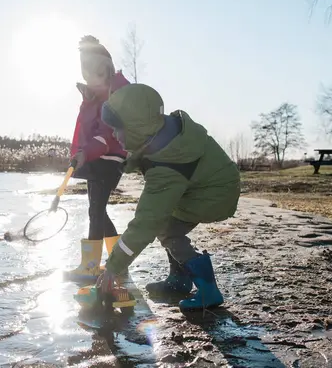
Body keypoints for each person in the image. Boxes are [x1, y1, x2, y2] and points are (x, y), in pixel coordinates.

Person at [96, 83, 241, 311]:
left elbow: (146, 223)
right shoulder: (162, 136)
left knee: (165, 229)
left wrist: (113, 267)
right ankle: (179, 280)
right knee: (165, 223)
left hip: (214, 194)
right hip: (206, 187)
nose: (114, 134)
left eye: (118, 128)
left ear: (136, 126)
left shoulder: (168, 163)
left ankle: (208, 290)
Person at [64, 35, 130, 282]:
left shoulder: (115, 93)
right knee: (99, 211)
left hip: (109, 159)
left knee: (96, 210)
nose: (89, 77)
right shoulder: (91, 96)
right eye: (85, 71)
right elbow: (84, 130)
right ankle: (118, 261)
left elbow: (105, 134)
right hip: (94, 157)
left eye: (94, 72)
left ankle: (90, 266)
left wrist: (86, 153)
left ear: (106, 70)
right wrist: (78, 154)